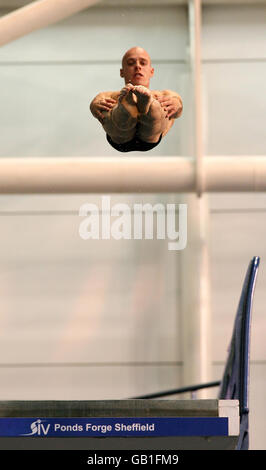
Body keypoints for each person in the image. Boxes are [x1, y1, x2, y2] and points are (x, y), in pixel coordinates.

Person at [90, 46, 183, 152]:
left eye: (143, 63)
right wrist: (95, 106)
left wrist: (177, 105)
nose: (137, 66)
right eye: (131, 63)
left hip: (150, 137)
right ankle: (128, 107)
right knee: (113, 109)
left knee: (159, 108)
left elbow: (178, 104)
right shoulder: (110, 95)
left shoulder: (164, 94)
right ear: (122, 72)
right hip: (119, 137)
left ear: (151, 71)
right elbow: (96, 102)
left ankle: (148, 106)